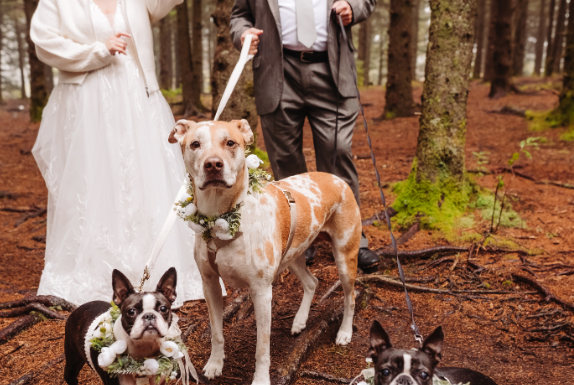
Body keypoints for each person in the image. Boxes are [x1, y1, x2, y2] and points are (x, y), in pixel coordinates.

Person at [29, 0, 205, 306]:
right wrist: (97, 51)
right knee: (94, 182)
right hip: (88, 100)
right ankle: (96, 275)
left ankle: (154, 269)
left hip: (137, 99)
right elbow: (44, 42)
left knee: (142, 179)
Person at [230, 0, 380, 271]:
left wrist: (352, 6)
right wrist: (243, 34)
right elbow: (239, 15)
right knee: (285, 158)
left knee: (338, 150)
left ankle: (352, 238)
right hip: (276, 71)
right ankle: (301, 238)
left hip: (331, 69)